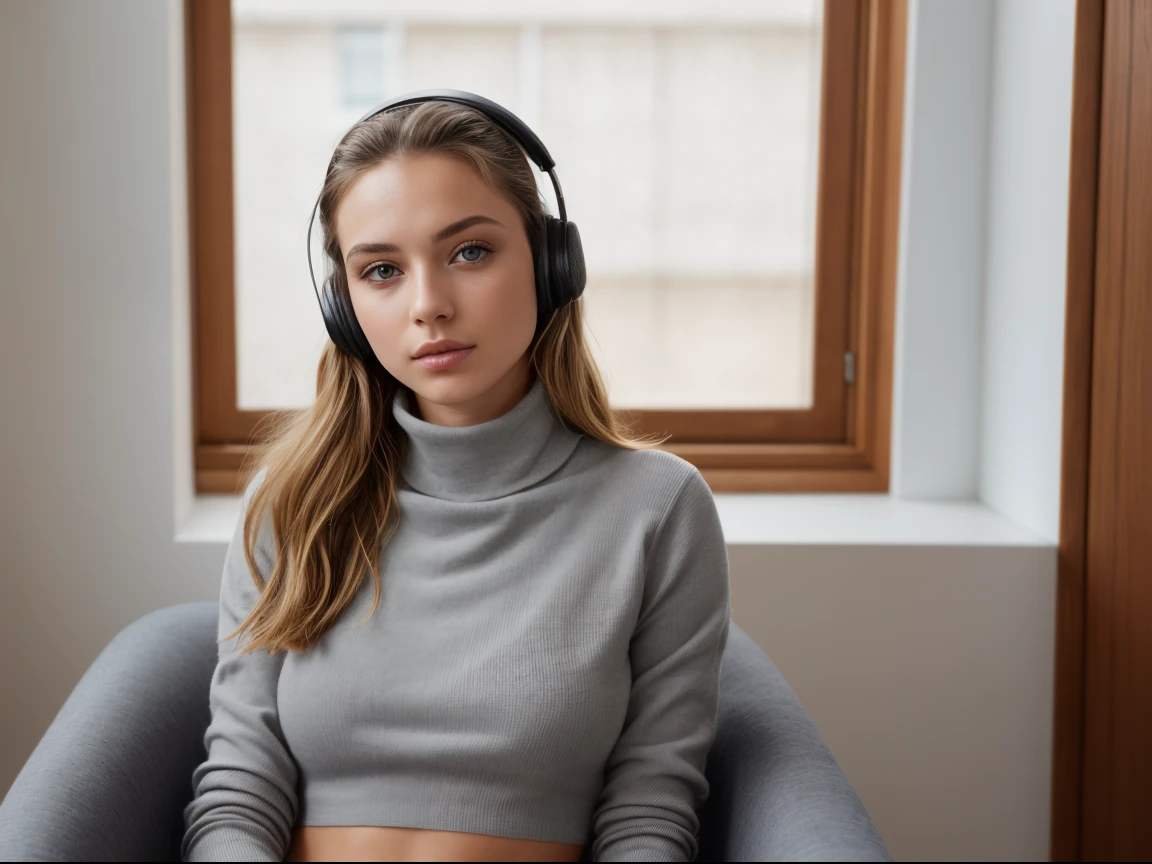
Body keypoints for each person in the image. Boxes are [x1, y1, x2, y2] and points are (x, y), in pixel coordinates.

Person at [181, 93, 732, 863]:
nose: (428, 306)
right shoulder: (288, 503)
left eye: (469, 252)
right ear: (346, 307)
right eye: (380, 270)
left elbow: (649, 813)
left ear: (551, 263)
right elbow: (239, 792)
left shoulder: (658, 509)